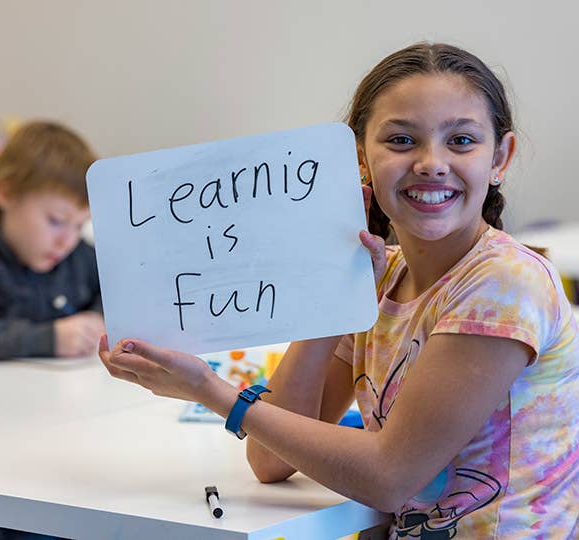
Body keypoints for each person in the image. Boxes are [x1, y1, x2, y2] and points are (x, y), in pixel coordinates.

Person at [98, 43, 579, 538]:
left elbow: (389, 477)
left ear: (500, 157)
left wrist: (209, 390)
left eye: (461, 140)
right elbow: (269, 461)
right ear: (360, 160)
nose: (432, 162)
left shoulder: (504, 282)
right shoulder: (381, 274)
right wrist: (331, 300)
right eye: (401, 140)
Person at [0, 120, 104, 360]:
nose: (66, 241)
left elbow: (118, 290)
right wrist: (47, 339)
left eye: (79, 225)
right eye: (56, 221)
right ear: (7, 194)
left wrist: (96, 319)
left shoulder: (77, 254)